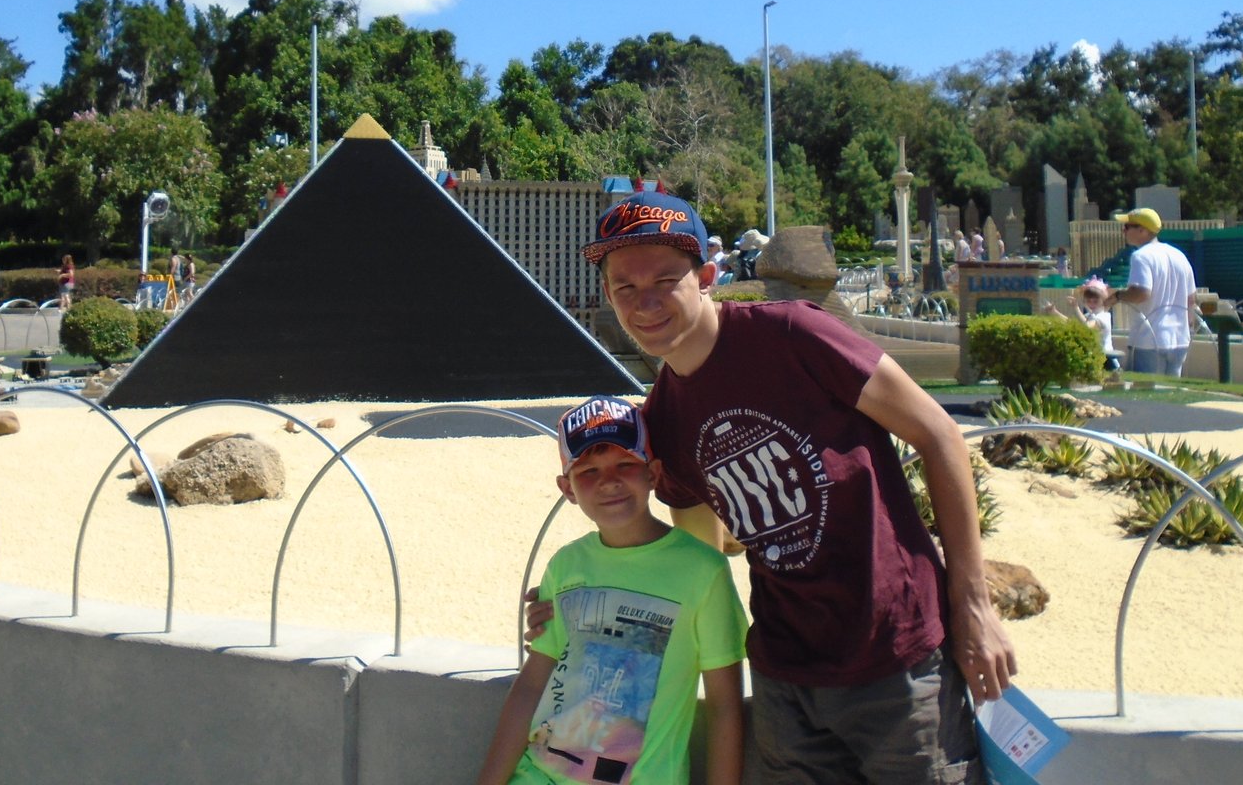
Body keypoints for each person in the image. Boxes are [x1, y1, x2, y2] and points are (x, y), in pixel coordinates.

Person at [554, 191, 1015, 785]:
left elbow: (939, 435)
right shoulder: (663, 420)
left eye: (666, 281)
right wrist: (570, 604)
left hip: (895, 657)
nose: (645, 303)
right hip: (783, 679)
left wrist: (973, 606)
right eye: (625, 287)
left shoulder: (795, 335)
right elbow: (692, 563)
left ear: (707, 277)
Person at [477, 395, 746, 785]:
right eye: (589, 471)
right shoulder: (565, 565)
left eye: (625, 464)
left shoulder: (704, 570)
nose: (609, 481)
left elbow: (724, 706)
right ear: (567, 488)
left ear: (653, 473)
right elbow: (531, 686)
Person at [1104, 208, 1198, 377]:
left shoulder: (1141, 256)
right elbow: (1191, 299)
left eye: (1127, 227)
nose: (1123, 231)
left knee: (1145, 389)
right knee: (1170, 391)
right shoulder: (1179, 255)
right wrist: (1188, 329)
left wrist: (1117, 296)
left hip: (1149, 339)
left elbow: (1141, 293)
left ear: (1143, 230)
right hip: (1179, 339)